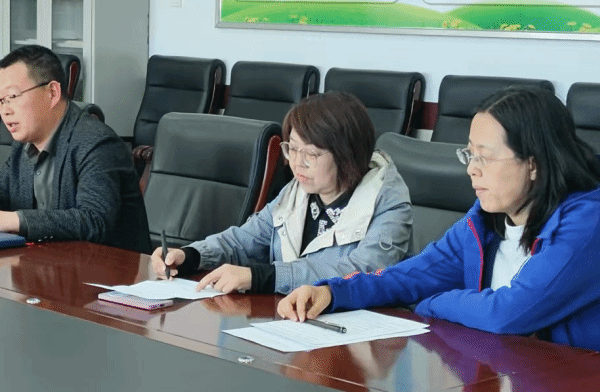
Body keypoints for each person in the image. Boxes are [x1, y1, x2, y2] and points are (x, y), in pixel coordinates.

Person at [278, 87, 600, 362]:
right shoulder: (486, 221)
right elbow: (410, 276)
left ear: (533, 164)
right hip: (515, 371)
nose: (471, 169)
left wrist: (433, 302)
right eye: (469, 154)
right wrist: (332, 293)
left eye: (484, 157)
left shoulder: (592, 226)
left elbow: (509, 312)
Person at [150, 92, 412, 294]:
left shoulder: (388, 201)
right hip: (290, 319)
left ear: (347, 155)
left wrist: (263, 276)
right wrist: (190, 256)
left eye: (311, 154)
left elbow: (362, 272)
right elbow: (244, 240)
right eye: (293, 149)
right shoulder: (299, 189)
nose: (297, 163)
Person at [0, 45, 151, 253]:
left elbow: (94, 221)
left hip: (106, 278)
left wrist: (14, 221)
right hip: (48, 269)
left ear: (52, 93)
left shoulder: (97, 143)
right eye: (0, 101)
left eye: (12, 97)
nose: (5, 110)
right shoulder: (24, 146)